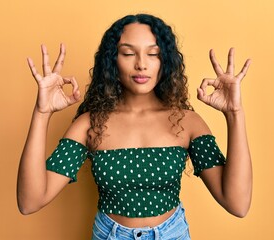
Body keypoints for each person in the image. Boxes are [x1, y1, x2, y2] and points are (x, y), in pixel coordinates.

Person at [17, 14, 252, 240]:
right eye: (128, 53)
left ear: (165, 62)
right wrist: (42, 113)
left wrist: (235, 113)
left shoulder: (187, 122)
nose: (141, 64)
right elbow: (30, 201)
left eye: (153, 54)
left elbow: (237, 204)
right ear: (112, 61)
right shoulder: (90, 124)